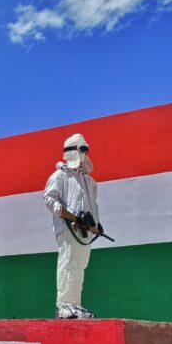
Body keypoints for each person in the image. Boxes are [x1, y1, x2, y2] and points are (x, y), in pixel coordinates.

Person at [43, 133, 102, 319]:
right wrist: (71, 216)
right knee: (68, 263)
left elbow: (94, 204)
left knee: (79, 265)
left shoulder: (88, 181)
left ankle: (74, 303)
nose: (85, 153)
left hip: (86, 231)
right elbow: (49, 198)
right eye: (82, 149)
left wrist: (97, 224)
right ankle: (64, 305)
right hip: (69, 228)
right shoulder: (60, 176)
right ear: (73, 151)